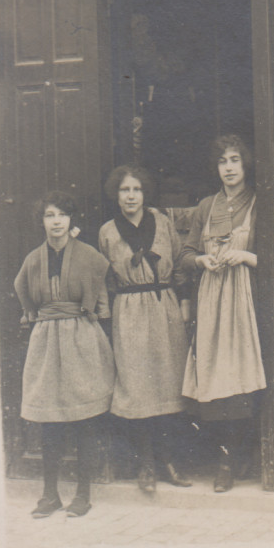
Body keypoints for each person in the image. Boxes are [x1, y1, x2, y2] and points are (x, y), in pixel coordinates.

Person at [14, 191, 115, 519]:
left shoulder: (88, 255)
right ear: (41, 221)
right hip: (46, 338)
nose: (56, 221)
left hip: (80, 336)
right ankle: (49, 495)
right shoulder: (32, 260)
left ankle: (83, 494)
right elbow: (23, 291)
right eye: (49, 215)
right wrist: (33, 313)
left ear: (71, 220)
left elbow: (100, 292)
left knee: (85, 419)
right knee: (49, 420)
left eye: (61, 215)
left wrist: (91, 313)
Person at [98, 164, 192, 494]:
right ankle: (146, 464)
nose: (131, 196)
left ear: (144, 192)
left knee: (167, 386)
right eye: (125, 190)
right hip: (129, 312)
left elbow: (179, 263)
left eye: (136, 190)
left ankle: (168, 461)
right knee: (138, 388)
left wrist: (183, 302)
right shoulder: (108, 231)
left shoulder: (163, 222)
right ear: (116, 194)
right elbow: (104, 281)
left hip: (164, 306)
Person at [181, 135, 266, 492]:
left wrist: (245, 256)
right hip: (211, 302)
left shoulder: (261, 203)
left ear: (245, 164)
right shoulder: (205, 207)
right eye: (222, 162)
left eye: (235, 160)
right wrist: (201, 259)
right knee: (214, 379)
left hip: (246, 303)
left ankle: (235, 458)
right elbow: (183, 256)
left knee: (241, 381)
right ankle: (224, 456)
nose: (229, 168)